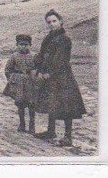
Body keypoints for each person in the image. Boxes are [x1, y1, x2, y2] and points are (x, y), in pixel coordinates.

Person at [33, 9, 86, 147]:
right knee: (51, 102)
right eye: (49, 22)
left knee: (66, 106)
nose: (51, 24)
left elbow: (60, 60)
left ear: (61, 21)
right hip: (49, 76)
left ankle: (68, 136)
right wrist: (38, 68)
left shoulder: (64, 39)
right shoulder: (48, 38)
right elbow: (42, 55)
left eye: (54, 21)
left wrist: (49, 72)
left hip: (62, 76)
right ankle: (51, 131)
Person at [3, 34, 37, 133]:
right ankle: (22, 124)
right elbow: (8, 69)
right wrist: (12, 80)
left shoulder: (34, 56)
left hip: (31, 82)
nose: (23, 46)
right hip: (18, 83)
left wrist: (36, 78)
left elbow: (38, 68)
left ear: (30, 45)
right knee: (20, 104)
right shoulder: (14, 56)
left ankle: (32, 125)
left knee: (32, 104)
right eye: (21, 44)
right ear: (17, 45)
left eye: (26, 45)